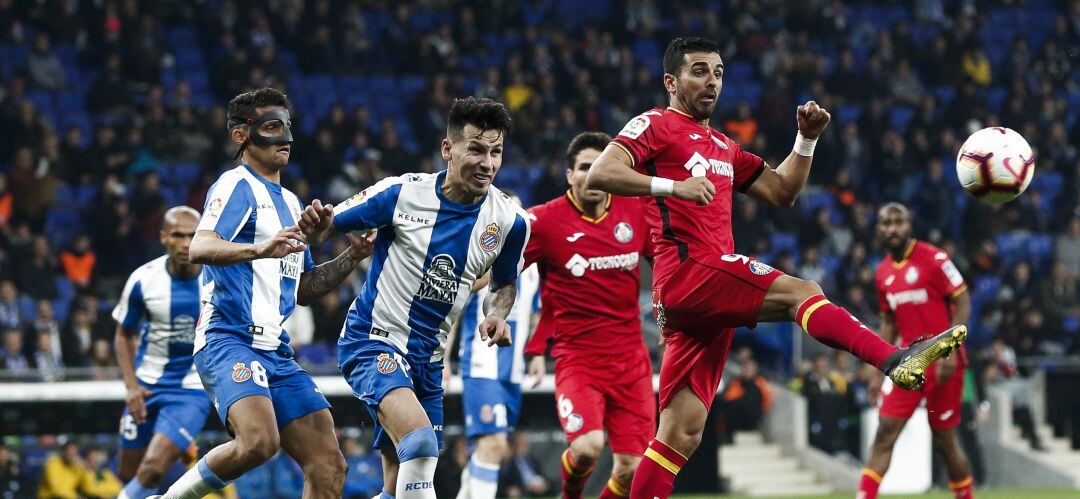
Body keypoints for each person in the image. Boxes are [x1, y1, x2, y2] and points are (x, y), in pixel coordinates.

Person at [584, 37, 967, 498]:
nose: (712, 82)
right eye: (699, 71)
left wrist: (806, 140)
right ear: (671, 80)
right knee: (801, 292)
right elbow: (601, 174)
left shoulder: (723, 146)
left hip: (698, 299)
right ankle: (893, 359)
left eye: (719, 72)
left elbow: (783, 191)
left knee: (679, 435)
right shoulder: (657, 124)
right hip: (692, 271)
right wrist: (674, 187)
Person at [298, 97, 529, 499]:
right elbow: (326, 227)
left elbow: (504, 284)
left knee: (396, 486)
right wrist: (316, 227)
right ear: (448, 149)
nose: (488, 163)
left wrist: (497, 313)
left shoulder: (510, 222)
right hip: (374, 341)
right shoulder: (399, 194)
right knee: (420, 446)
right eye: (475, 149)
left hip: (429, 360)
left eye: (496, 152)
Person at [156, 87, 375, 499]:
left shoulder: (292, 204)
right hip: (229, 338)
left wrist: (351, 255)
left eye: (288, 128)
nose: (286, 139)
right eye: (273, 127)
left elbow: (306, 288)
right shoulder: (236, 185)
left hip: (276, 350)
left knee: (329, 465)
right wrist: (260, 248)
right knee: (259, 442)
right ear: (243, 136)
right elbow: (199, 247)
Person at [521, 131, 655, 499]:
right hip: (578, 360)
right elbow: (500, 270)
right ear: (569, 175)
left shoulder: (636, 211)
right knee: (586, 448)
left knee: (632, 469)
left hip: (631, 360)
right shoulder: (544, 222)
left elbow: (664, 263)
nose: (592, 175)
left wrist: (673, 305)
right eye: (584, 168)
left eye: (599, 167)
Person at [861, 202, 975, 499]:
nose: (892, 229)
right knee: (885, 431)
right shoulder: (882, 272)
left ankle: (965, 495)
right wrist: (877, 374)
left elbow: (963, 301)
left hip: (944, 363)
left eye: (898, 222)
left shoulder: (934, 258)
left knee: (944, 441)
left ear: (909, 224)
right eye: (886, 223)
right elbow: (888, 323)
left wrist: (950, 351)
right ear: (878, 229)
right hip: (909, 366)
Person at [113, 206, 211, 499]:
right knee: (129, 474)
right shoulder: (143, 279)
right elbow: (123, 334)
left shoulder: (218, 279)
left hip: (190, 390)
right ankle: (180, 443)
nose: (185, 243)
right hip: (145, 387)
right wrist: (131, 386)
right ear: (163, 238)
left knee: (153, 470)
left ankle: (177, 438)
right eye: (177, 235)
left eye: (192, 236)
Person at [449, 191, 540, 499]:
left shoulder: (532, 267)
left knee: (496, 449)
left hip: (512, 372)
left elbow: (536, 314)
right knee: (495, 445)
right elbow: (453, 309)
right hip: (481, 364)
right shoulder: (479, 261)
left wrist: (537, 355)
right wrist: (445, 361)